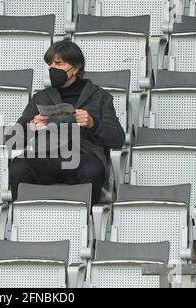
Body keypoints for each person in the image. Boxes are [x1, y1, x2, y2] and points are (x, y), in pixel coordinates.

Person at [9, 39, 125, 205]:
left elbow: (117, 138)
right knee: (19, 167)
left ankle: (84, 220)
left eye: (59, 63)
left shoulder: (100, 97)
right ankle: (23, 219)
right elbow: (14, 140)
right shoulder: (41, 97)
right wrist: (30, 127)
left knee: (92, 170)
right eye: (50, 64)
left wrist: (93, 124)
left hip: (84, 156)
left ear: (76, 67)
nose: (52, 68)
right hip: (46, 155)